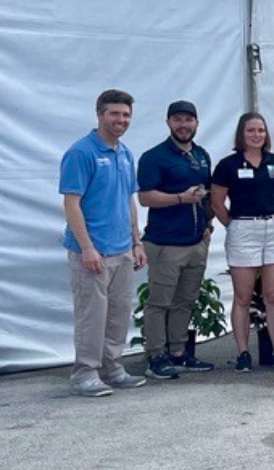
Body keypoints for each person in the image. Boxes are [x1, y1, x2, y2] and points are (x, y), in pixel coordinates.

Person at [61, 89, 149, 397]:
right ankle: (85, 373)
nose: (121, 120)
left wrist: (136, 242)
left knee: (118, 313)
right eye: (114, 113)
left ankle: (112, 367)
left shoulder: (125, 153)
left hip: (122, 249)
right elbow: (71, 203)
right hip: (93, 251)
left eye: (126, 115)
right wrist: (87, 247)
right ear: (100, 114)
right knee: (92, 315)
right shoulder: (81, 153)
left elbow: (128, 200)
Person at [135, 100, 215, 379]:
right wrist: (181, 198)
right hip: (165, 243)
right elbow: (145, 197)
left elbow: (207, 193)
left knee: (185, 301)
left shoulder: (202, 155)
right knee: (159, 303)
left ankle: (179, 353)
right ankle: (156, 356)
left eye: (188, 120)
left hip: (196, 242)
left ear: (197, 123)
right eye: (178, 119)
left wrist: (208, 224)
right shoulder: (154, 157)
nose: (183, 125)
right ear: (168, 122)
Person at [210, 112, 274, 373]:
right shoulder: (228, 165)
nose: (257, 135)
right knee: (243, 297)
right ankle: (243, 353)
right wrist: (233, 225)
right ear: (241, 134)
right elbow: (216, 202)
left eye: (261, 130)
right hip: (243, 228)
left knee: (272, 296)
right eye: (251, 130)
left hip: (273, 228)